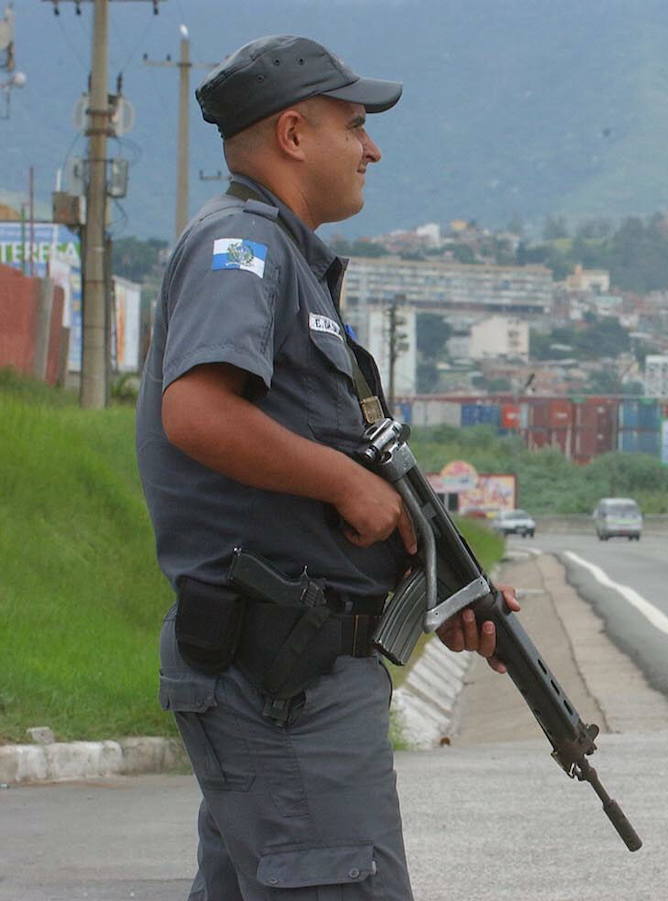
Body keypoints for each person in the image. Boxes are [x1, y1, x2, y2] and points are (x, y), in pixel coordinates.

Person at [135, 35, 516, 900]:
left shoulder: (287, 262)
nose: (372, 148)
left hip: (287, 678)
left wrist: (439, 590)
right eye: (356, 126)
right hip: (280, 684)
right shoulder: (243, 246)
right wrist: (347, 484)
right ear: (295, 135)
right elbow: (196, 412)